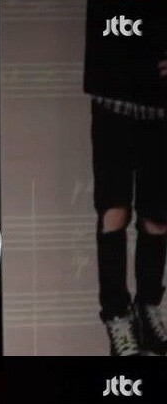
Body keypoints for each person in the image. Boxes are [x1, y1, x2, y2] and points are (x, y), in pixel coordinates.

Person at [84, 0, 167, 355]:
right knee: (114, 209)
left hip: (160, 99)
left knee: (158, 216)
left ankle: (148, 307)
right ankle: (117, 314)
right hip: (114, 89)